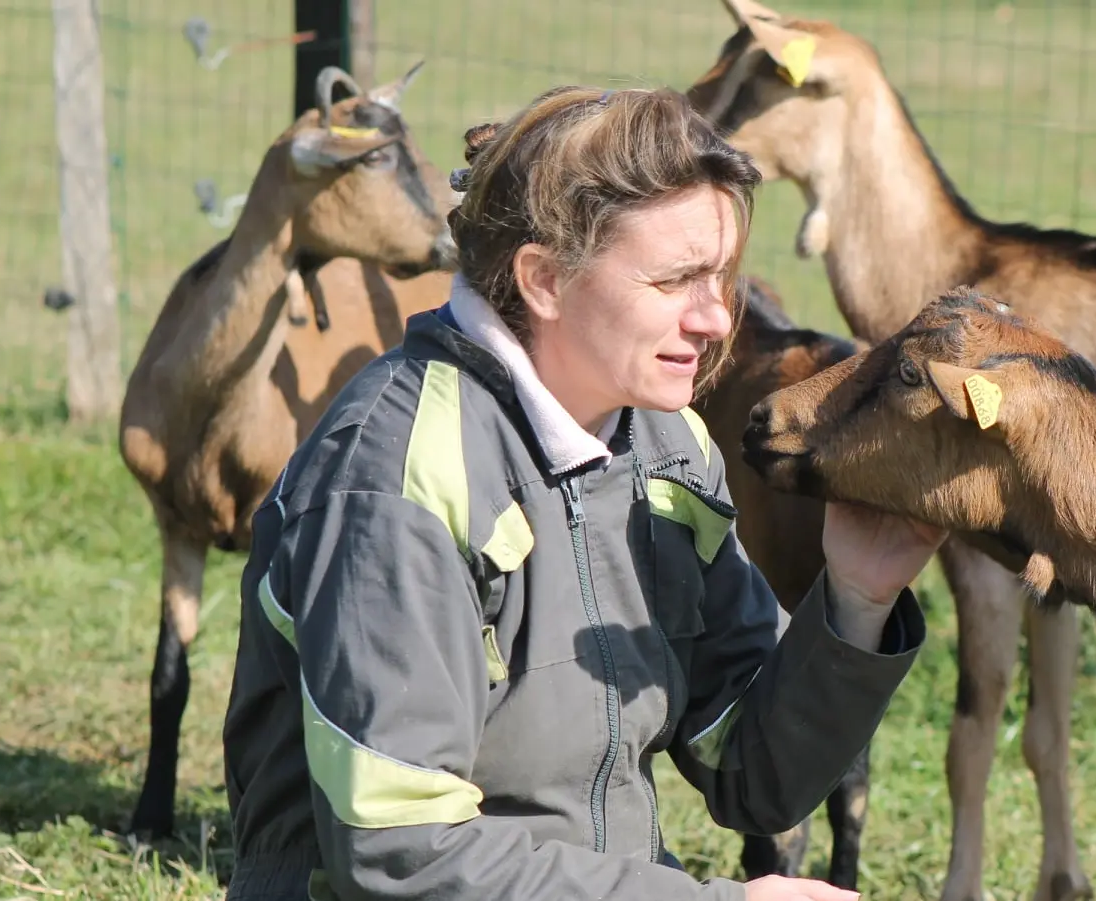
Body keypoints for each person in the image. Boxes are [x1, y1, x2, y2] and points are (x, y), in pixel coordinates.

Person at [219, 85, 947, 901]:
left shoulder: (665, 442)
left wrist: (856, 596)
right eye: (676, 280)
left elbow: (753, 768)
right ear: (544, 281)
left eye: (723, 277)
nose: (715, 320)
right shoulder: (394, 482)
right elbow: (404, 856)